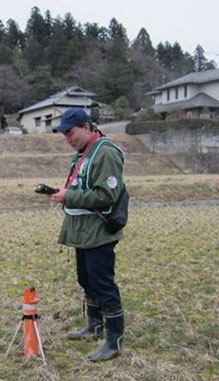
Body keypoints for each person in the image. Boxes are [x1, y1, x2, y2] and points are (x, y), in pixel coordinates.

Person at [48, 108, 125, 362]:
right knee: (86, 280)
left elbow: (107, 195)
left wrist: (68, 195)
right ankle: (94, 326)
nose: (68, 139)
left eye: (71, 133)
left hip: (99, 231)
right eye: (64, 135)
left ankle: (114, 340)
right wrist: (64, 192)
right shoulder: (83, 154)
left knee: (103, 283)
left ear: (87, 127)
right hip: (83, 230)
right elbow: (80, 186)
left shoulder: (105, 153)